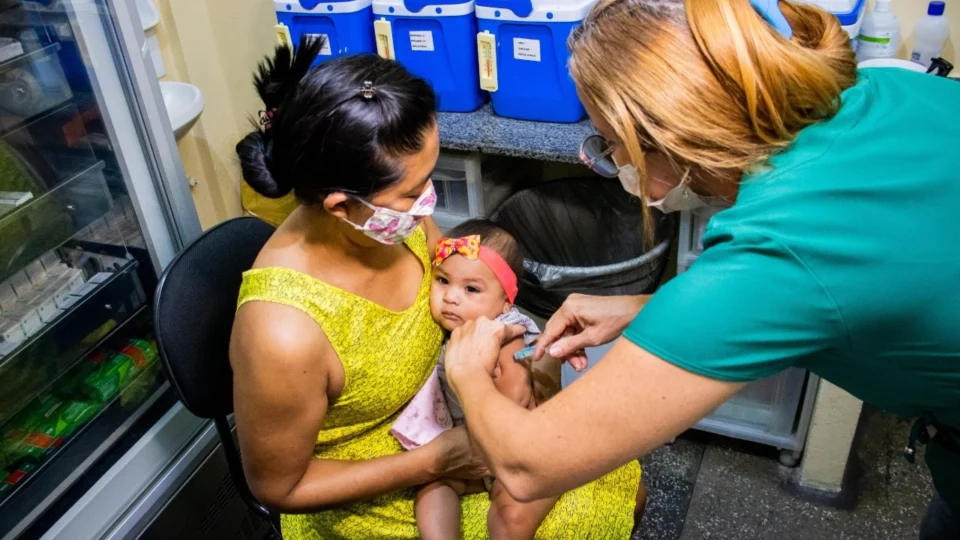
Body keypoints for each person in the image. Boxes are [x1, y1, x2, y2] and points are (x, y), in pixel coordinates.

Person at [439, 1, 960, 539]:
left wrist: (467, 372)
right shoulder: (887, 87)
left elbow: (528, 468)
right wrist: (648, 306)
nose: (613, 162)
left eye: (614, 144)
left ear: (675, 132)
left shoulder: (774, 256)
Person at [230, 36, 641, 539]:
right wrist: (436, 460)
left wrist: (522, 356)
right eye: (410, 192)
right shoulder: (282, 330)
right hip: (366, 481)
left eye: (428, 179)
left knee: (610, 472)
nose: (428, 203)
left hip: (441, 418)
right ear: (341, 205)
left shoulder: (393, 222)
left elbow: (466, 288)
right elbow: (278, 487)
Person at [390, 219, 638, 539]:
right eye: (442, 281)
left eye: (471, 289)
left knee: (511, 516)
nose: (451, 297)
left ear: (505, 302)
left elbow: (516, 401)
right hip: (469, 447)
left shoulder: (505, 335)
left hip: (519, 448)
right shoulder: (440, 330)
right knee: (433, 488)